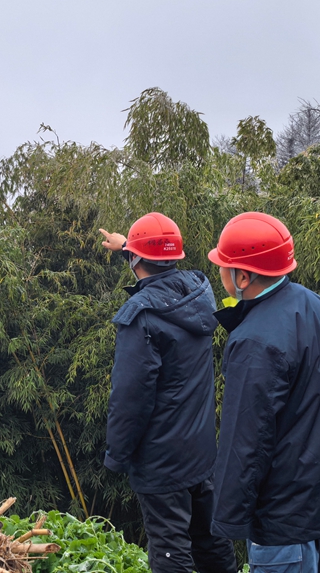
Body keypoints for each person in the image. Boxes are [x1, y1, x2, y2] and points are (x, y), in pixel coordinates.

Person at [207, 212, 320, 573]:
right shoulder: (318, 307)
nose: (220, 272)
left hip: (285, 525)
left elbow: (245, 441)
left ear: (242, 276)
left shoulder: (254, 340)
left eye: (224, 266)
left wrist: (228, 518)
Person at [100, 212, 237, 573]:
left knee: (169, 549)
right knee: (210, 541)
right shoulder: (198, 294)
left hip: (162, 460)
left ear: (136, 260)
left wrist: (117, 454)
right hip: (201, 448)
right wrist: (126, 245)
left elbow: (130, 397)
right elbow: (155, 265)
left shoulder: (141, 316)